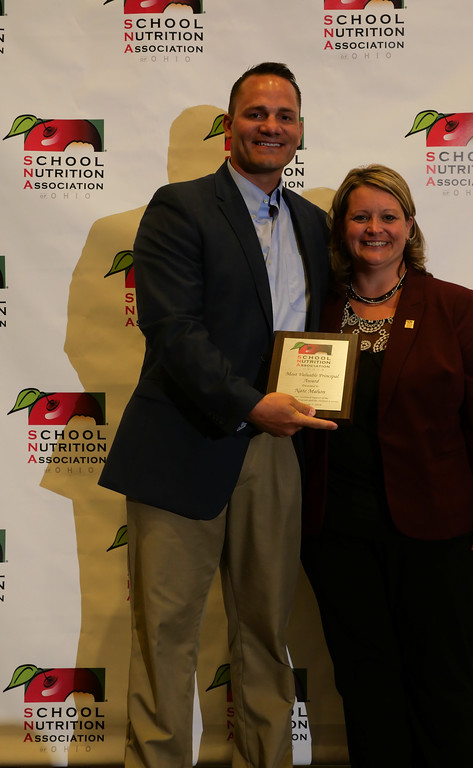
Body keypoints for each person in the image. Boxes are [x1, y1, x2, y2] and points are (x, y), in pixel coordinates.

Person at [99, 62, 337, 768]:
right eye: (257, 113)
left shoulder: (314, 223)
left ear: (300, 131)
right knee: (166, 636)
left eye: (285, 115)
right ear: (230, 126)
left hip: (278, 452)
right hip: (184, 444)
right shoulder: (179, 206)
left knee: (266, 632)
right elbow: (172, 330)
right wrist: (249, 402)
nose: (271, 126)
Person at [301, 164, 473, 768]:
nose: (375, 228)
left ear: (409, 226)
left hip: (438, 529)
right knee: (364, 681)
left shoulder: (451, 305)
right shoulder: (313, 309)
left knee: (441, 679)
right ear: (342, 228)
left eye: (388, 216)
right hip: (337, 530)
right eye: (361, 216)